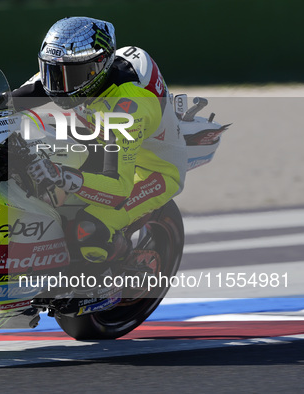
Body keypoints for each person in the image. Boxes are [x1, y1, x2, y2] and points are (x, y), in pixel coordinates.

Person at [12, 16, 188, 265]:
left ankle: (113, 276)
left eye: (70, 75)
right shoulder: (73, 70)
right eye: (52, 71)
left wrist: (61, 175)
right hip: (99, 141)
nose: (59, 85)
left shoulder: (126, 109)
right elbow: (13, 99)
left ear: (98, 68)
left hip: (149, 171)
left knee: (88, 231)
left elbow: (118, 190)